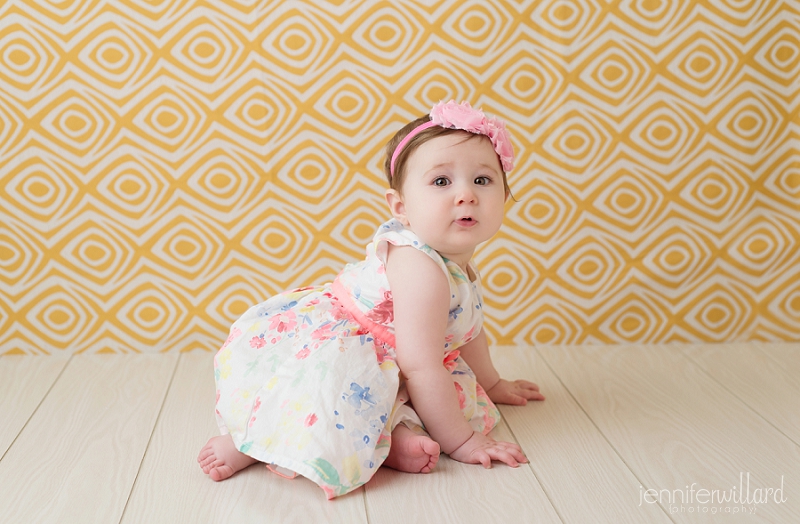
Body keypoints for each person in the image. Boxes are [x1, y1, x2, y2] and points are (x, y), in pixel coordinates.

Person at [197, 100, 545, 499]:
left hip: (394, 361)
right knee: (330, 401)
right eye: (441, 182)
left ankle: (394, 441)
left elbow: (467, 330)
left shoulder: (456, 262)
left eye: (482, 180)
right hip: (342, 352)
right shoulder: (421, 269)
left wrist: (493, 383)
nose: (465, 195)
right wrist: (463, 442)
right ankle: (248, 443)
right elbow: (421, 367)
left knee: (393, 398)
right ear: (401, 208)